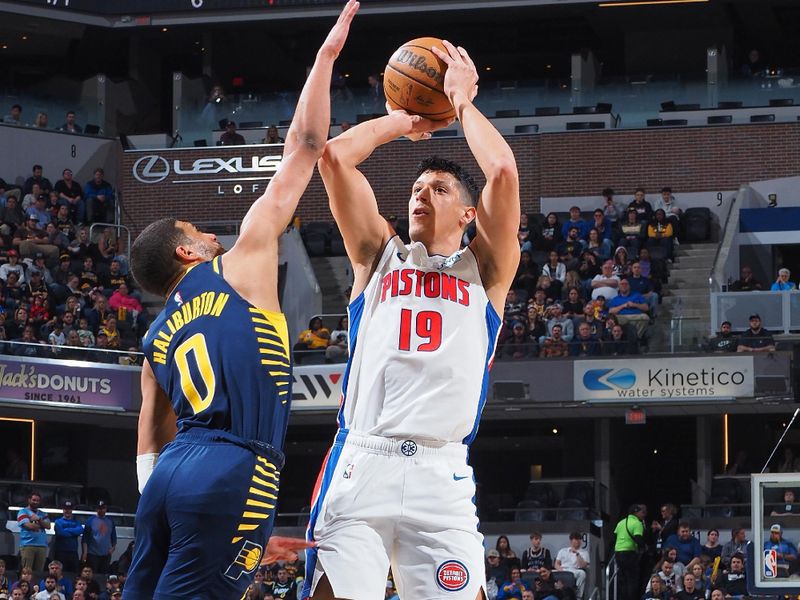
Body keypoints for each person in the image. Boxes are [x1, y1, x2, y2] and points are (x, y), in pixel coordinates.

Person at [123, 3, 359, 598]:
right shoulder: (241, 263)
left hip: (169, 477)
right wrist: (325, 56)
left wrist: (180, 512)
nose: (211, 234)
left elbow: (149, 444)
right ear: (187, 254)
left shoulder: (154, 341)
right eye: (197, 231)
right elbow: (306, 144)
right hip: (235, 465)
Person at [304, 36, 520, 600]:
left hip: (440, 475)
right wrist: (405, 119)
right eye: (417, 187)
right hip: (362, 462)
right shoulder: (379, 255)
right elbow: (334, 157)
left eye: (439, 188)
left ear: (468, 212)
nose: (421, 194)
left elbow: (501, 169)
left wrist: (461, 102)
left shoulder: (487, 270)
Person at [613, 504, 646, 600]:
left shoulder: (620, 522)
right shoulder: (637, 523)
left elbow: (616, 535)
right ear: (636, 512)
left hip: (618, 552)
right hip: (629, 553)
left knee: (623, 580)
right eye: (641, 512)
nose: (643, 514)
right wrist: (643, 548)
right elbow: (638, 538)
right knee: (632, 580)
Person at [17, 492, 50, 572]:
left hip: (42, 546)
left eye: (38, 500)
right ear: (29, 500)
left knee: (39, 572)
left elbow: (48, 526)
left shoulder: (42, 513)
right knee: (26, 572)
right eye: (34, 500)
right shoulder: (23, 512)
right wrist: (42, 525)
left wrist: (38, 519)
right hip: (28, 545)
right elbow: (29, 526)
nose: (36, 502)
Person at [82, 501, 116, 573]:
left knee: (104, 575)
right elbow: (85, 539)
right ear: (96, 509)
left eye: (103, 508)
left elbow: (113, 537)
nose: (101, 510)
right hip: (92, 554)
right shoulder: (90, 520)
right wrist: (85, 553)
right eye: (99, 508)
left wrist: (112, 549)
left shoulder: (110, 521)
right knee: (93, 574)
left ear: (106, 509)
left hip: (106, 554)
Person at [554, 533, 589, 599]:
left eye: (579, 539)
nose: (578, 541)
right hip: (562, 570)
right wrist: (561, 571)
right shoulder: (563, 551)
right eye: (575, 539)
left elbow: (582, 565)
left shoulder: (584, 552)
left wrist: (577, 554)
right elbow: (556, 564)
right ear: (571, 541)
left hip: (575, 571)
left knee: (582, 573)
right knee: (549, 572)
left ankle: (578, 595)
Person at [52, 501, 83, 572]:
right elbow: (60, 533)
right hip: (60, 552)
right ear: (63, 509)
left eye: (69, 509)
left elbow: (80, 530)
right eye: (66, 509)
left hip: (73, 552)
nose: (67, 511)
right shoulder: (58, 521)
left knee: (74, 573)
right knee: (60, 572)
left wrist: (67, 529)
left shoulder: (76, 522)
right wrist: (73, 533)